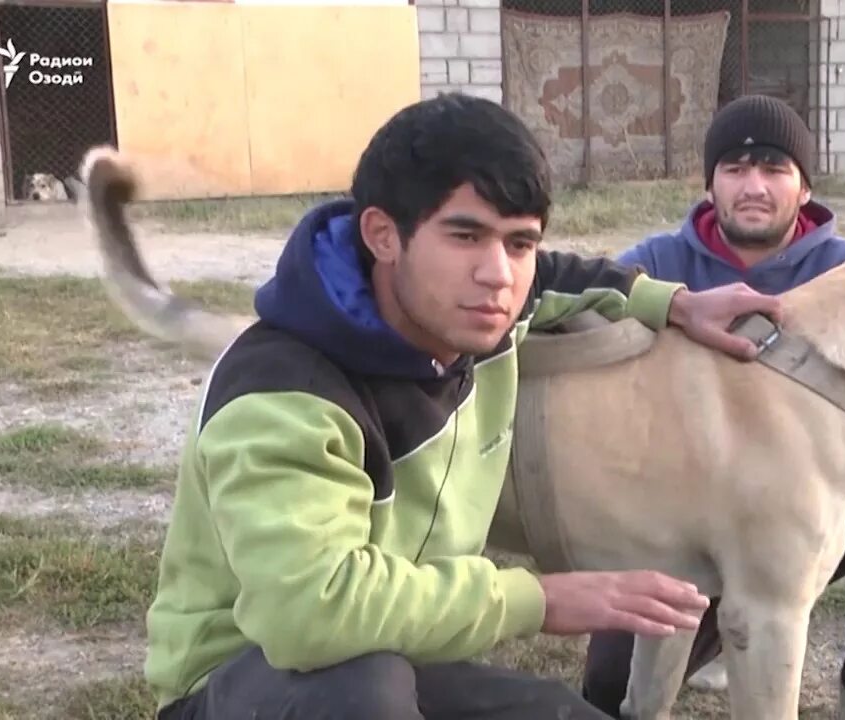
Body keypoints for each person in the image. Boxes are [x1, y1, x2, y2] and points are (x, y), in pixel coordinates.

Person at [142, 91, 793, 720]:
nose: (498, 275)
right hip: (252, 680)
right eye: (464, 236)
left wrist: (679, 303)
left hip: (399, 651)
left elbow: (562, 278)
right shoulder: (286, 387)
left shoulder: (478, 313)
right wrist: (538, 600)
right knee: (363, 693)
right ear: (383, 235)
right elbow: (311, 612)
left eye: (518, 242)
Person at [579, 95, 845, 720]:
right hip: (677, 533)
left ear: (804, 187)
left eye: (775, 169)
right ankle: (721, 630)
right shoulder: (655, 265)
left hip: (795, 520)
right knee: (606, 691)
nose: (754, 186)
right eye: (736, 168)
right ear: (710, 184)